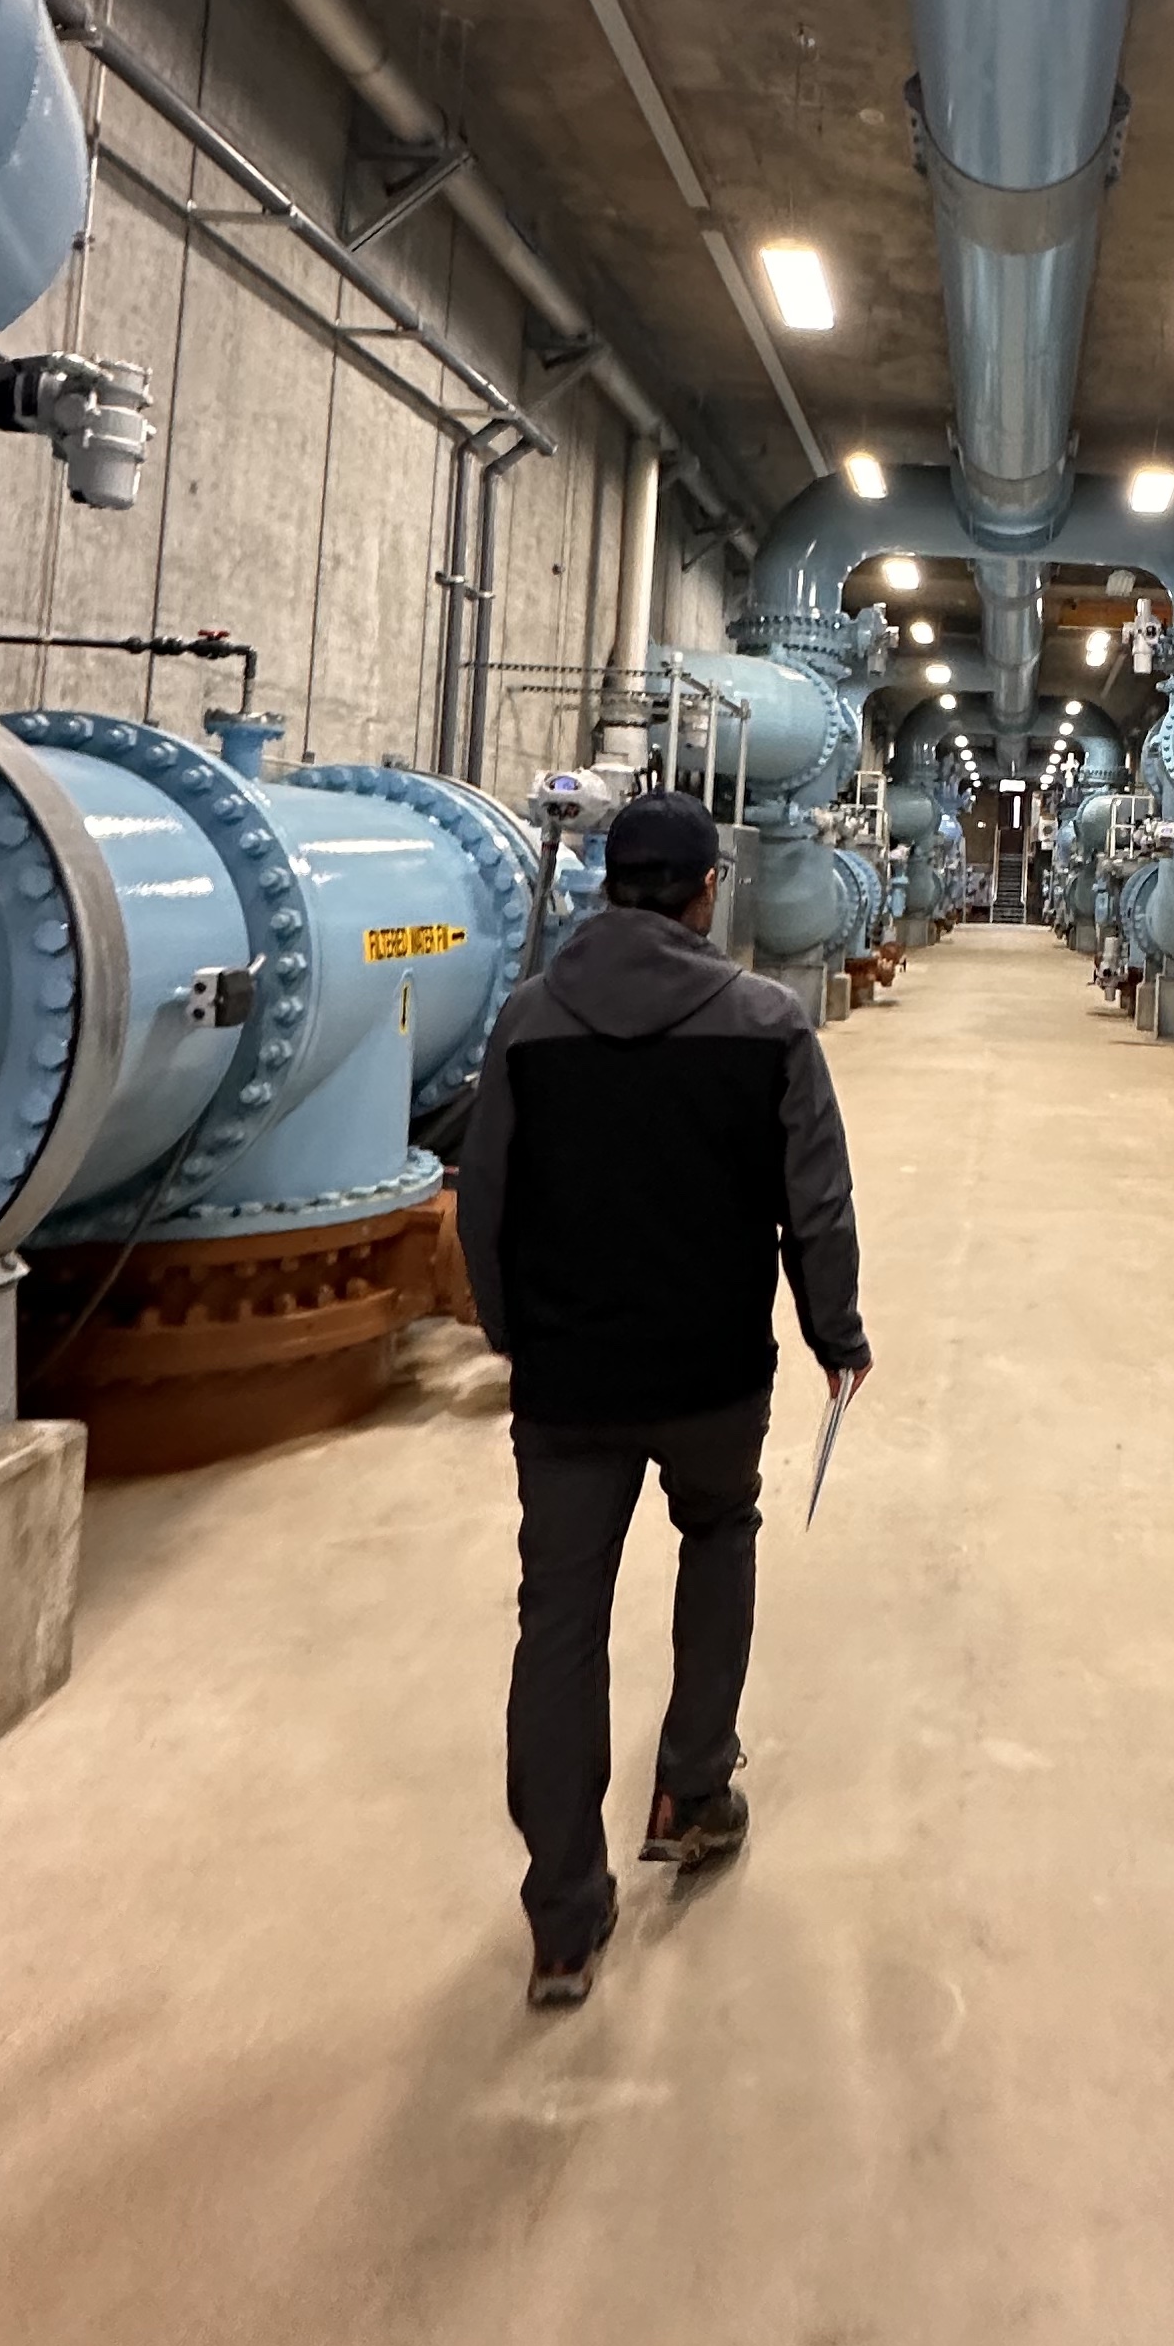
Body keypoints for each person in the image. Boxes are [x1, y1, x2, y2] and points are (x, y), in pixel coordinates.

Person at [457, 786, 870, 2011]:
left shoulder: (529, 1025)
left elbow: (485, 1201)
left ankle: (565, 1917)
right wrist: (835, 1330)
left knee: (561, 1620)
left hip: (571, 1378)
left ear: (600, 885)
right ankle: (692, 1791)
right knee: (717, 1538)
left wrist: (514, 1334)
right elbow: (818, 1202)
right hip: (710, 1372)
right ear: (705, 891)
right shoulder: (766, 1022)